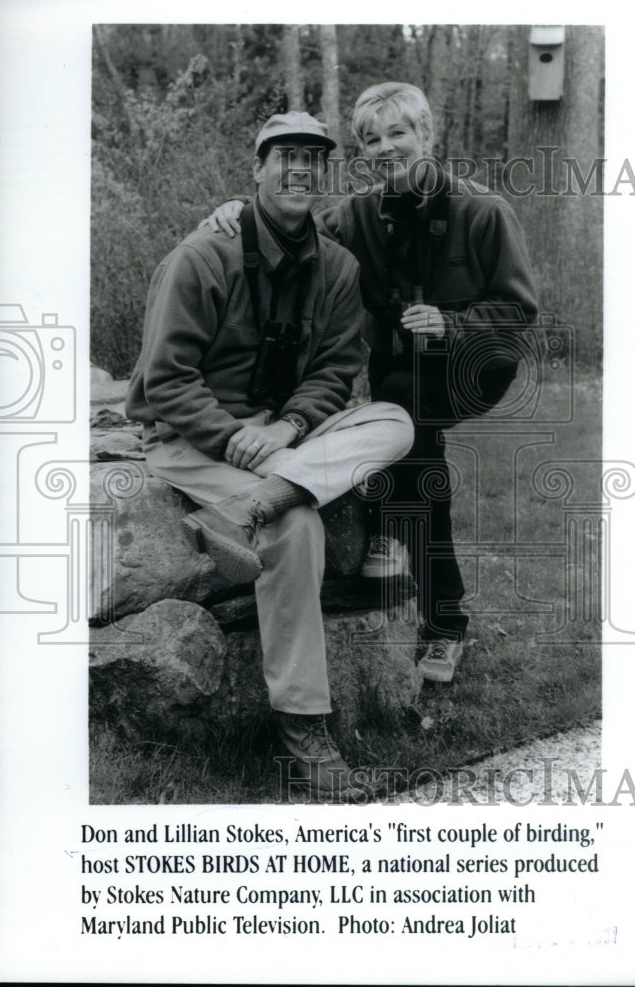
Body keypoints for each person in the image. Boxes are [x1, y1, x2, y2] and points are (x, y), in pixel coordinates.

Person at [201, 82, 538, 686]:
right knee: (411, 436)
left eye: (398, 134)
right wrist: (236, 212)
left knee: (405, 408)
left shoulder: (483, 210)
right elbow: (294, 230)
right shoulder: (357, 214)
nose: (386, 148)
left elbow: (519, 313)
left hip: (475, 364)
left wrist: (452, 321)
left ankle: (399, 552)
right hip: (398, 375)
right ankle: (444, 620)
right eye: (371, 139)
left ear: (427, 135)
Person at [126, 111, 414, 801]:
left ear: (325, 175)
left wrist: (289, 427)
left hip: (279, 438)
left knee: (396, 422)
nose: (299, 169)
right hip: (193, 439)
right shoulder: (202, 255)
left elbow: (338, 369)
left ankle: (256, 501)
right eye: (284, 156)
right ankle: (303, 731)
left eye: (313, 159)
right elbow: (165, 381)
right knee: (296, 525)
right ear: (257, 169)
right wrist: (231, 439)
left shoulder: (336, 265)